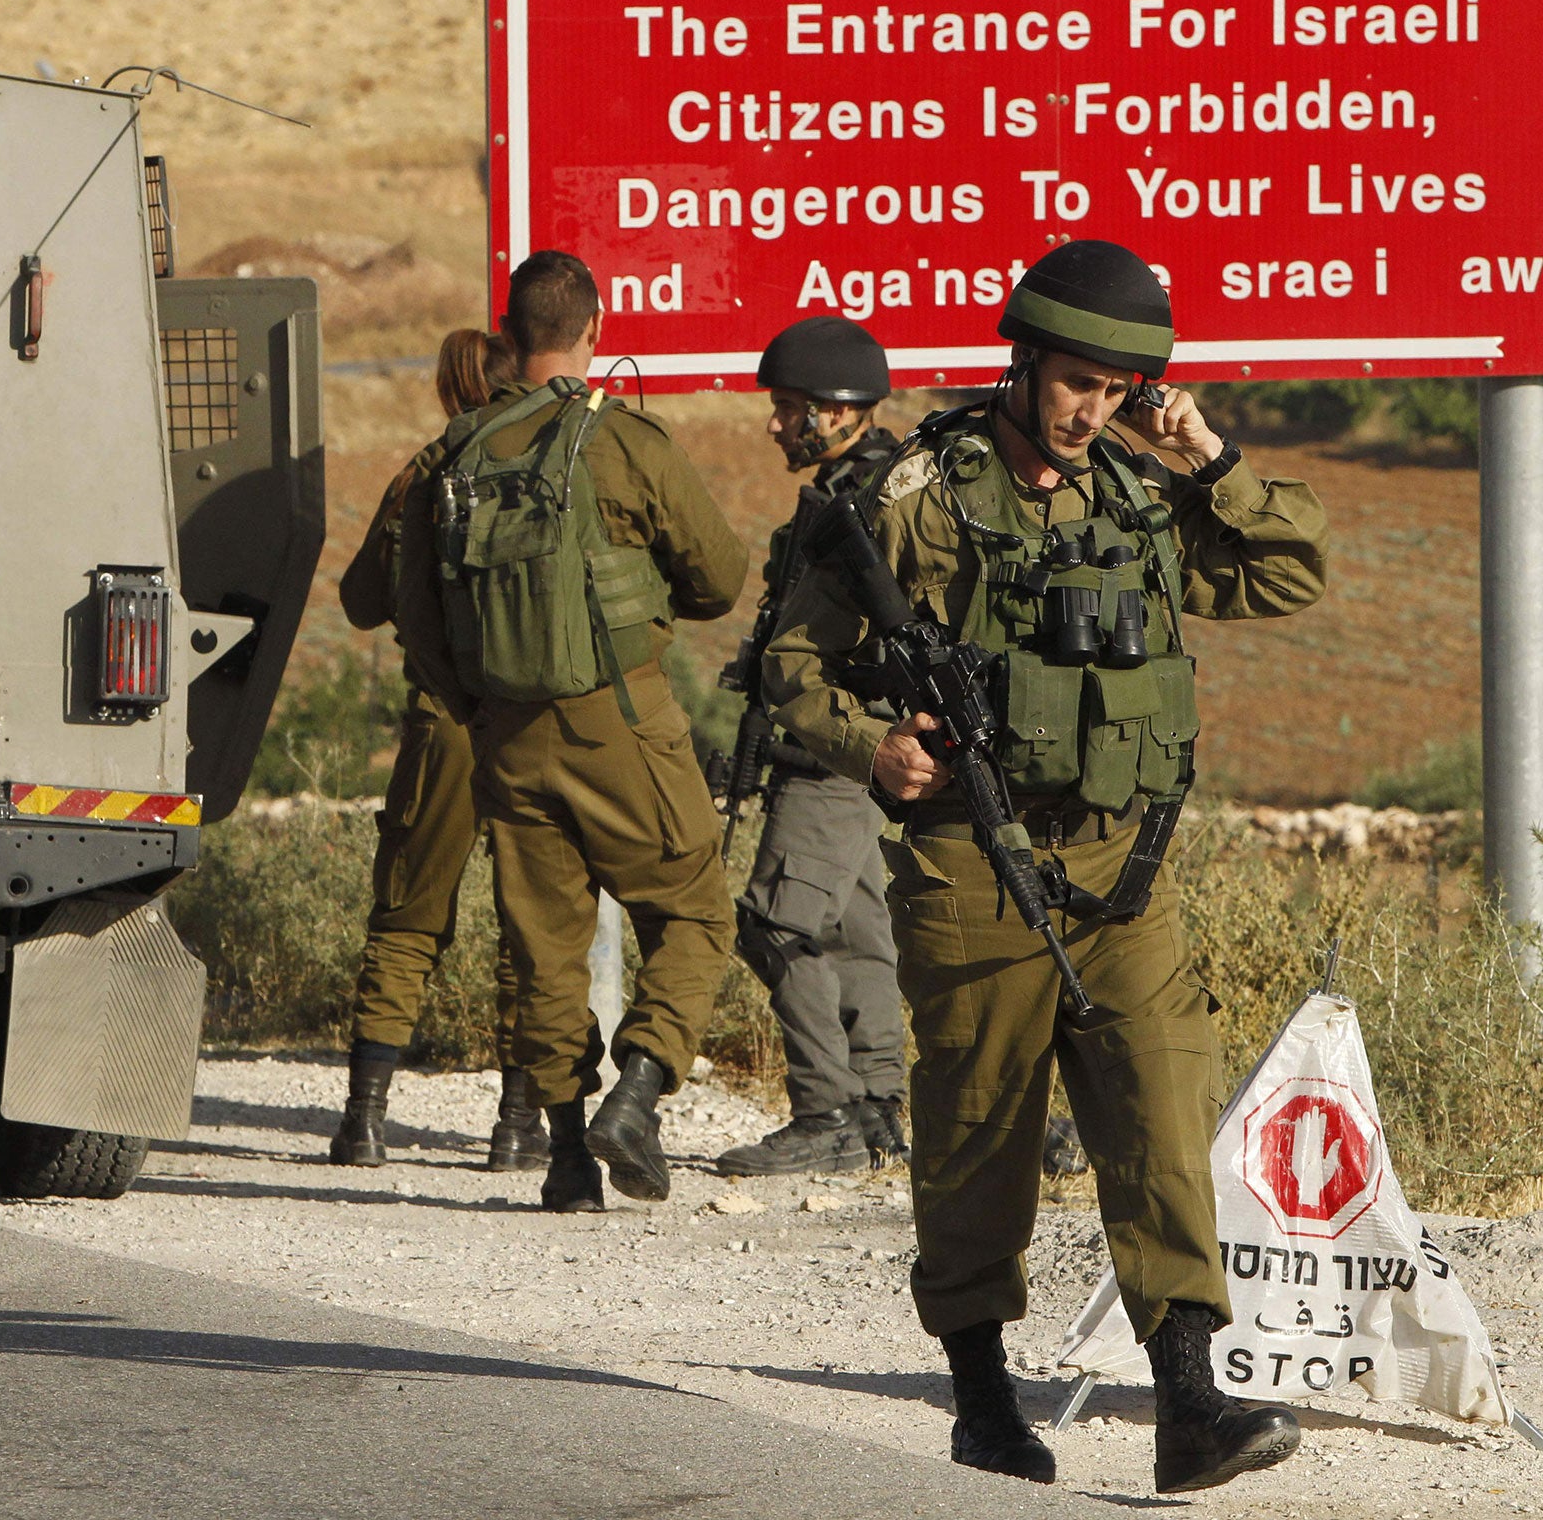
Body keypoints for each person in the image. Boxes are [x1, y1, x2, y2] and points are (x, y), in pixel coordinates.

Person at [763, 240, 1327, 1494]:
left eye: (1120, 391)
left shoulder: (1129, 493)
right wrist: (872, 748)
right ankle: (979, 1398)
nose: (1092, 411)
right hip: (970, 859)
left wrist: (1207, 457)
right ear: (1022, 361)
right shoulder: (913, 499)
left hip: (1122, 869)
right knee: (977, 1127)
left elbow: (1290, 567)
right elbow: (789, 668)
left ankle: (1190, 1404)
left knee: (1162, 1112)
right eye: (1077, 382)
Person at [391, 250, 747, 1211]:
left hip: (504, 734)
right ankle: (638, 1088)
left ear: (509, 338)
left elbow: (410, 611)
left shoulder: (454, 452)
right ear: (596, 329)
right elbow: (719, 579)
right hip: (621, 721)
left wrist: (473, 706)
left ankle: (565, 1162)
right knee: (697, 910)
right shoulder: (625, 440)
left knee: (545, 947)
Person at [330, 327, 548, 1172]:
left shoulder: (422, 471)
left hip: (441, 722)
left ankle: (365, 1120)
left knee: (408, 917)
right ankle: (514, 1125)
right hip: (531, 724)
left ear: (450, 392)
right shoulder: (545, 465)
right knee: (530, 925)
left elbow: (356, 602)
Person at [716, 318, 908, 1178]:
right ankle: (878, 1107)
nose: (772, 424)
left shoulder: (857, 503)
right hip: (849, 742)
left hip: (835, 743)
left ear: (835, 413)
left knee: (773, 923)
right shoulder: (861, 488)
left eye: (787, 407)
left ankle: (825, 1111)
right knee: (855, 921)